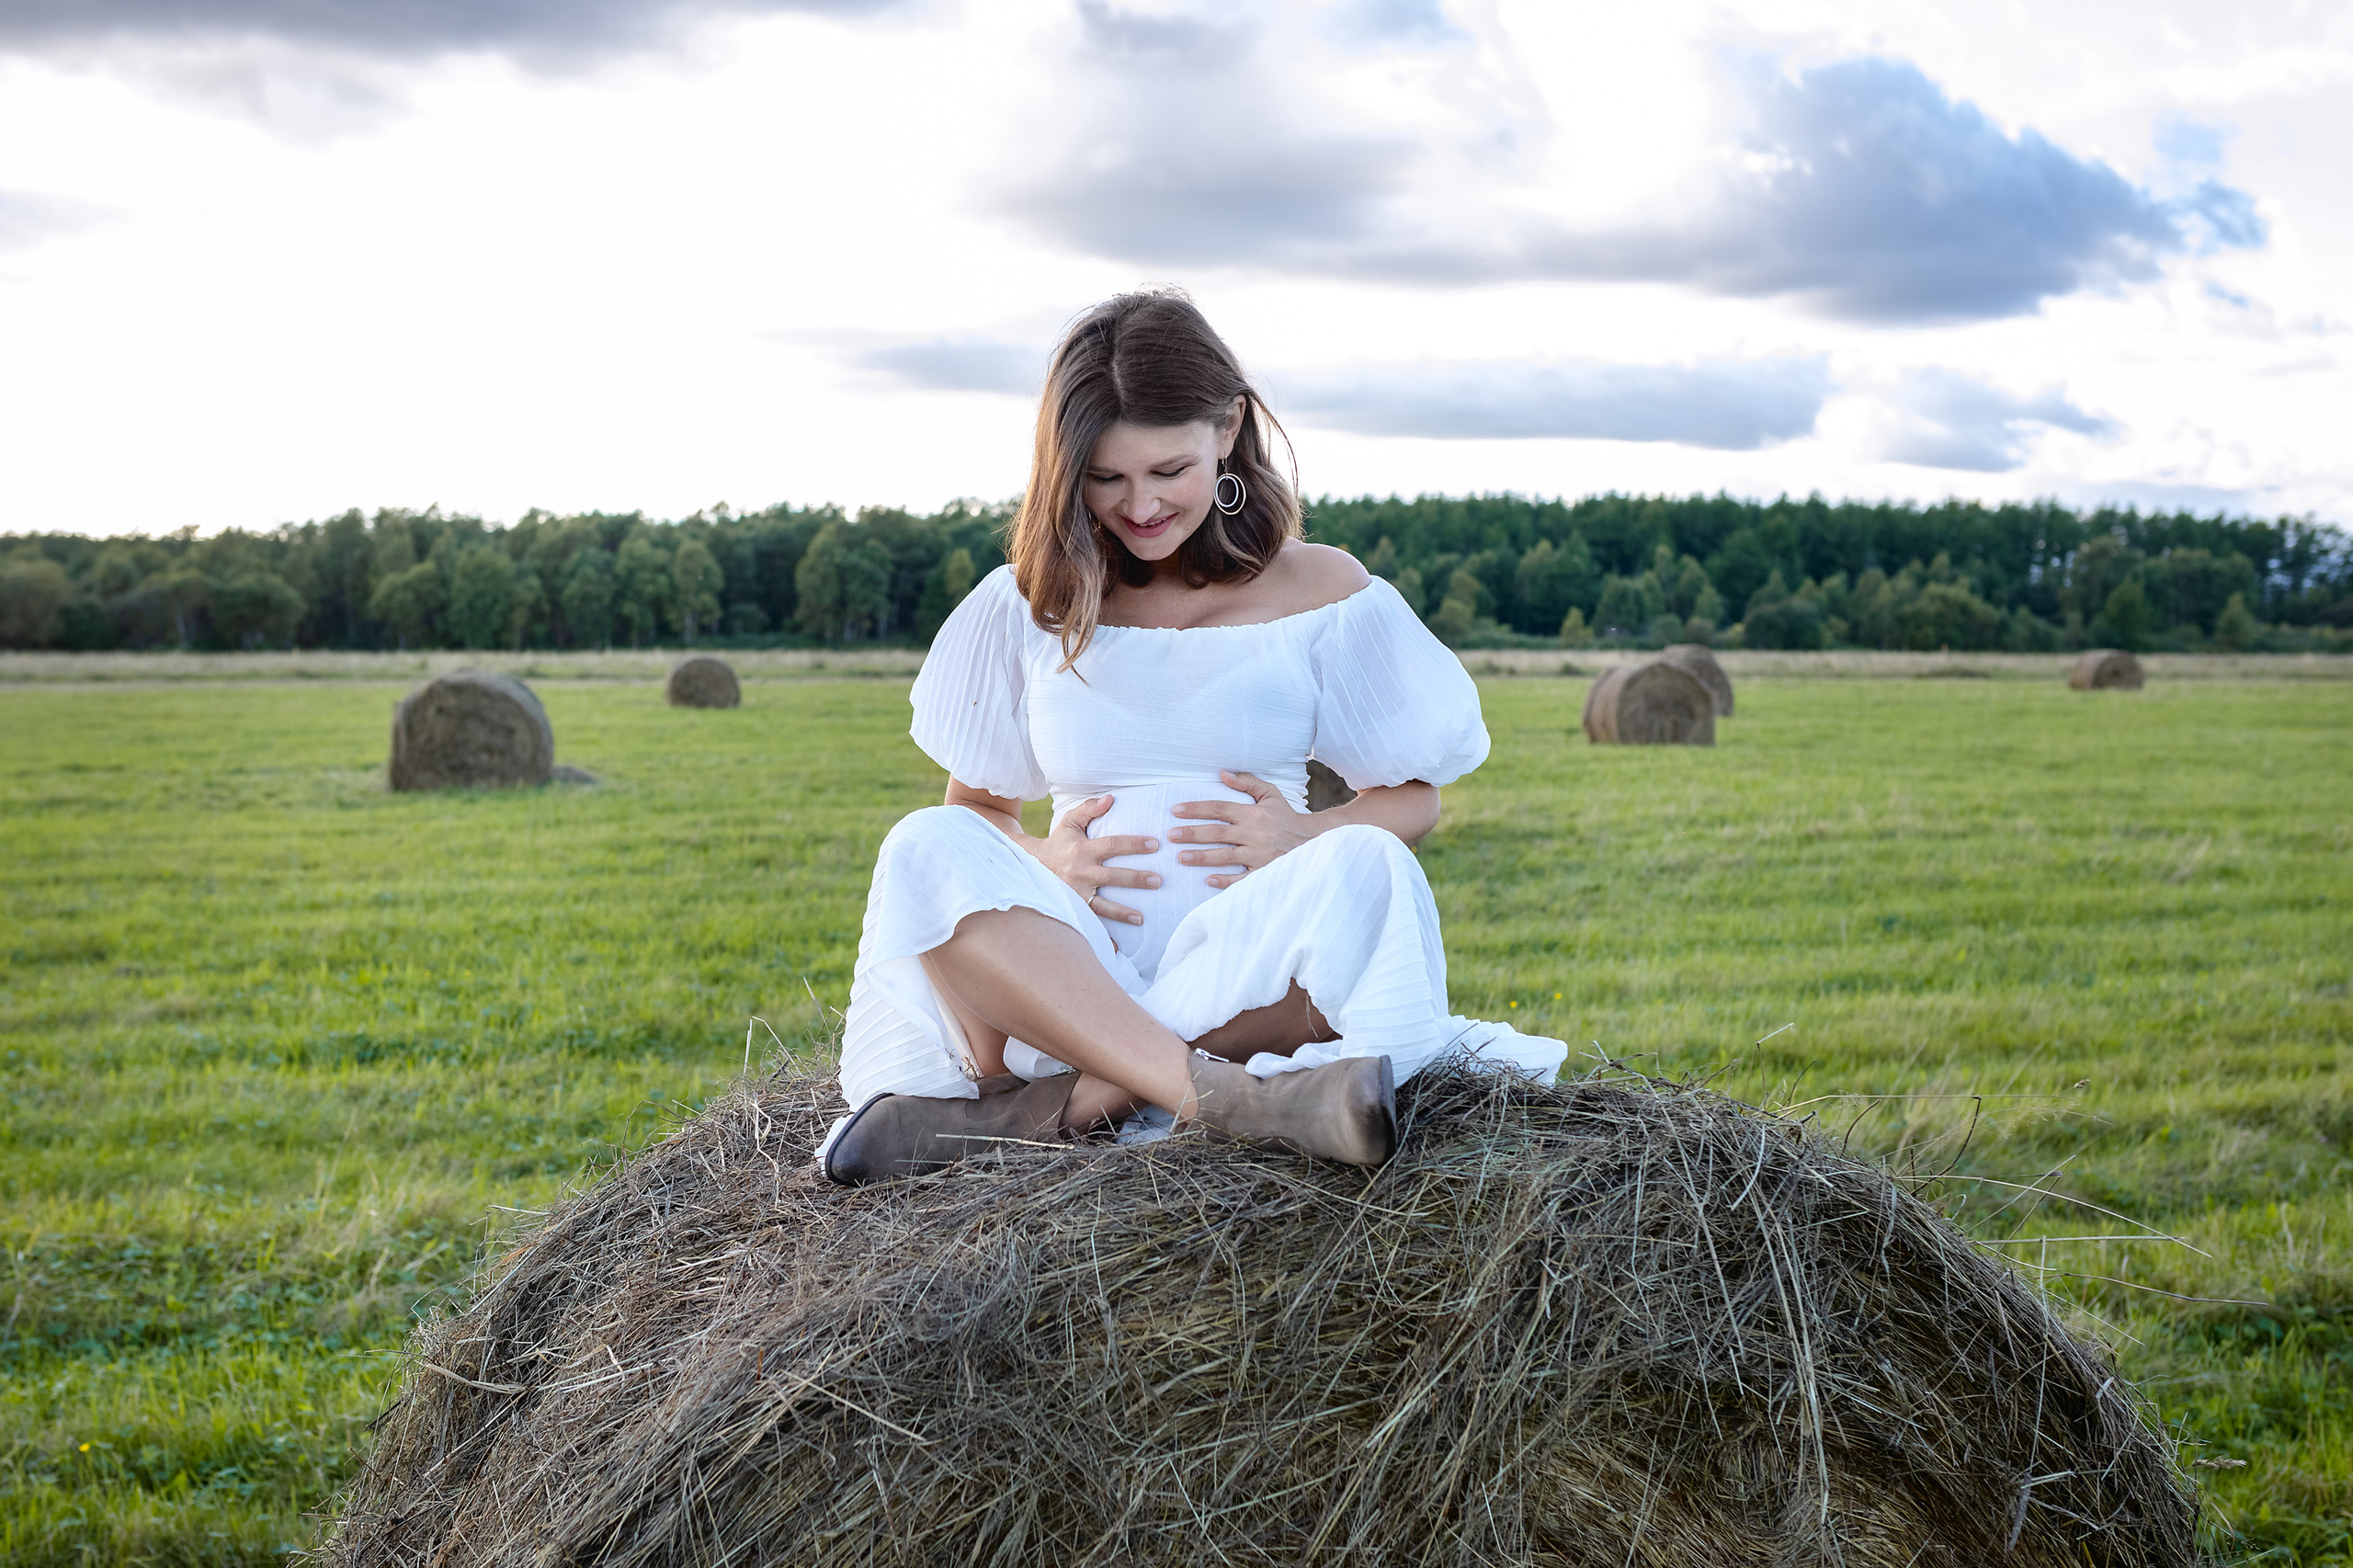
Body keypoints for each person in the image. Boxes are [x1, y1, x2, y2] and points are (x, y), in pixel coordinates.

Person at [820, 290, 1566, 1185]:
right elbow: (974, 808)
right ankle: (1223, 1098)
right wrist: (1039, 857)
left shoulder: (1322, 590)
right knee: (922, 844)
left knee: (1373, 868)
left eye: (1166, 469)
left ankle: (1085, 1101)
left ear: (1229, 427)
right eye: (1105, 478)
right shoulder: (1026, 600)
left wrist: (1309, 834)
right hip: (1061, 982)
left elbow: (1415, 794)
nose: (1138, 505)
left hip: (1248, 976)